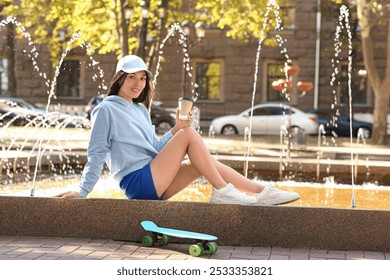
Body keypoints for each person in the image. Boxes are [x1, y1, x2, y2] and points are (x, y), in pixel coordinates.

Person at [57, 55, 300, 205]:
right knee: (190, 135)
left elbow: (153, 149)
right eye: (132, 77)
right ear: (119, 79)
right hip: (137, 182)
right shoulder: (106, 110)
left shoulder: (140, 110)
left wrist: (175, 130)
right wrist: (82, 191)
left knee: (202, 162)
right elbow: (97, 153)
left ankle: (262, 192)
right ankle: (223, 192)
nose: (138, 84)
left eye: (142, 79)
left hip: (154, 179)